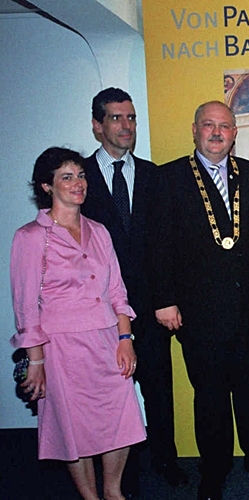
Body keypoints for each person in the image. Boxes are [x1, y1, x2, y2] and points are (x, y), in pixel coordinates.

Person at [147, 101, 249, 500]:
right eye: (208, 125)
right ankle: (215, 469)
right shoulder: (169, 178)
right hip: (197, 312)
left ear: (234, 133)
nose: (216, 133)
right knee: (209, 396)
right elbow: (156, 246)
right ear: (194, 129)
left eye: (224, 126)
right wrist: (164, 300)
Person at [10, 147, 146, 500]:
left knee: (121, 417)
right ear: (46, 186)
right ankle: (90, 496)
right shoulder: (30, 237)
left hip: (106, 341)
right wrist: (35, 362)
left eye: (81, 175)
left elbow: (117, 289)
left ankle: (113, 492)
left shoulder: (99, 231)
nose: (78, 183)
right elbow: (26, 307)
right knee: (74, 428)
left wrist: (125, 337)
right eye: (66, 177)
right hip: (61, 349)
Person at [80, 87, 187, 490]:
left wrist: (165, 299)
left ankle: (165, 460)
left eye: (131, 118)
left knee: (159, 390)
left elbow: (167, 244)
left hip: (149, 307)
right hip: (96, 312)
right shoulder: (79, 180)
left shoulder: (154, 175)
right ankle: (116, 475)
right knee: (106, 397)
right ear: (97, 126)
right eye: (116, 118)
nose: (126, 126)